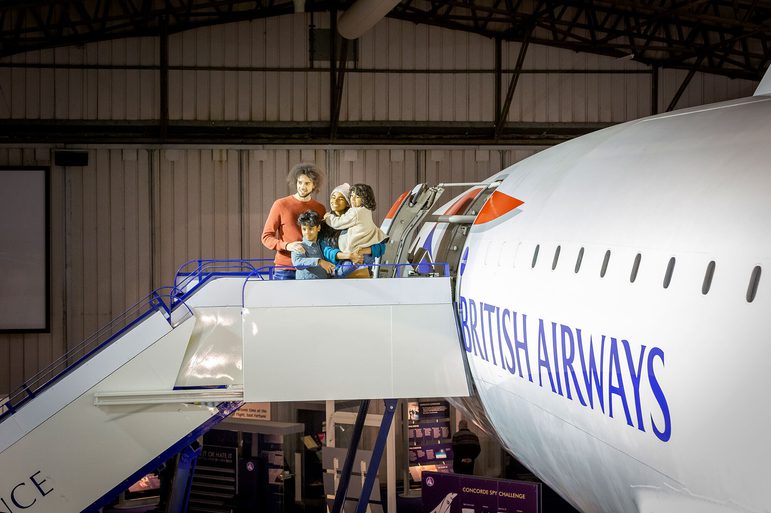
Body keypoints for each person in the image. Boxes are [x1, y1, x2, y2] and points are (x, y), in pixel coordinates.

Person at [261, 163, 326, 280]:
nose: (302, 186)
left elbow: (323, 239)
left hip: (312, 269)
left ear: (314, 185)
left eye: (307, 183)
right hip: (286, 268)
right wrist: (287, 245)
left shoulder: (320, 208)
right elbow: (266, 237)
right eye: (300, 182)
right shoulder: (281, 204)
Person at [323, 183, 387, 277]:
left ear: (347, 202)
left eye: (341, 198)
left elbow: (381, 247)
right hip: (338, 272)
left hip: (359, 272)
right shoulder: (324, 225)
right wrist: (349, 256)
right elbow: (324, 250)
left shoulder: (356, 214)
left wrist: (363, 251)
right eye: (333, 197)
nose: (335, 201)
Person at [291, 210, 335, 279]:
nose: (307, 232)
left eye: (311, 229)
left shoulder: (322, 244)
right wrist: (319, 261)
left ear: (318, 228)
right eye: (304, 229)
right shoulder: (299, 246)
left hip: (324, 285)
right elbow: (297, 263)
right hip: (306, 286)